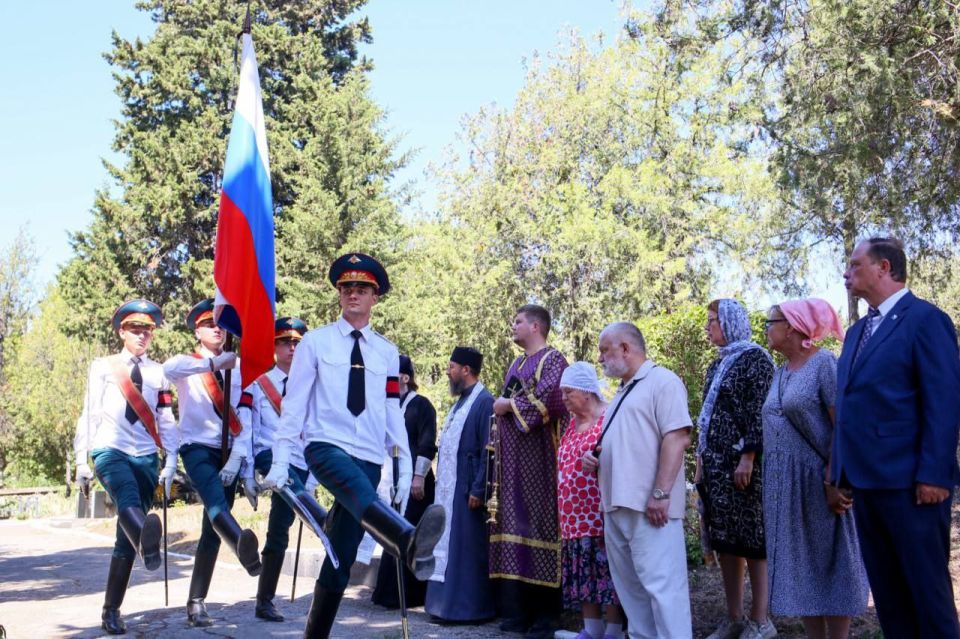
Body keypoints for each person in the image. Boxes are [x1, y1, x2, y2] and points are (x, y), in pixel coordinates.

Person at [261, 252, 445, 639]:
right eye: (346, 288)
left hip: (369, 456)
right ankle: (406, 538)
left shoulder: (387, 352)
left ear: (375, 297)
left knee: (341, 556)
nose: (353, 294)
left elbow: (392, 410)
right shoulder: (316, 342)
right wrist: (280, 458)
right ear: (339, 294)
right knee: (361, 496)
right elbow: (294, 403)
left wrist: (404, 464)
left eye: (362, 288)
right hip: (326, 446)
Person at [832, 237, 960, 637]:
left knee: (927, 596)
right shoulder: (857, 332)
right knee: (890, 599)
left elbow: (943, 402)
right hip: (865, 485)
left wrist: (935, 474)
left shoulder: (926, 320)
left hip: (911, 486)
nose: (846, 273)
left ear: (884, 267)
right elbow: (848, 405)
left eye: (855, 264)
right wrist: (839, 472)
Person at [761, 298, 867, 639]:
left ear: (792, 326)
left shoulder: (823, 364)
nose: (766, 328)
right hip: (784, 488)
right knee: (802, 567)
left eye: (771, 322)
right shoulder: (780, 373)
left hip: (819, 484)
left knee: (831, 563)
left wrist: (834, 480)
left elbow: (843, 424)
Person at [73, 299, 177, 635]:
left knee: (126, 538)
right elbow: (89, 413)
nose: (142, 334)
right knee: (127, 497)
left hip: (146, 456)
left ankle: (111, 609)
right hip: (110, 448)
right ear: (122, 331)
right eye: (135, 328)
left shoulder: (159, 372)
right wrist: (81, 459)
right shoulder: (103, 367)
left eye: (148, 329)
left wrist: (171, 459)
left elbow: (165, 417)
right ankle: (148, 537)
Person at [582, 322, 692, 638]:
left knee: (663, 590)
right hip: (617, 505)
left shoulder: (663, 381)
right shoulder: (622, 391)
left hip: (650, 507)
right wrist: (595, 458)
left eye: (605, 350)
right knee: (632, 594)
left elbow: (677, 438)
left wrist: (660, 493)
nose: (600, 358)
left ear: (626, 348)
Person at [163, 298, 262, 627]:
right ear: (197, 331)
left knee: (211, 529)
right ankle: (242, 545)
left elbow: (247, 418)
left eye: (220, 324)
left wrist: (242, 462)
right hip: (197, 449)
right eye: (209, 324)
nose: (217, 329)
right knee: (217, 505)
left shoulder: (239, 367)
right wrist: (214, 364)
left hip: (229, 452)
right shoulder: (188, 364)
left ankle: (196, 602)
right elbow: (168, 370)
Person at [490, 304, 569, 639]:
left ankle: (545, 618)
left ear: (536, 326)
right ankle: (516, 613)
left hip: (541, 462)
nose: (513, 326)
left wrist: (508, 405)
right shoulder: (517, 364)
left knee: (540, 527)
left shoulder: (554, 360)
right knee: (513, 528)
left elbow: (551, 401)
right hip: (511, 465)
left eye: (518, 321)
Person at [697, 298, 775, 639]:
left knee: (753, 541)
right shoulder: (718, 363)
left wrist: (748, 456)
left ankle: (761, 621)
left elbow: (762, 410)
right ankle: (734, 618)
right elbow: (707, 417)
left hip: (744, 467)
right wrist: (701, 464)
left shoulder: (756, 359)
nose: (708, 327)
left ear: (730, 322)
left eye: (713, 320)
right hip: (715, 468)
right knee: (726, 540)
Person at [250, 316, 317, 622]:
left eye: (297, 343)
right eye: (284, 342)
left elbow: (316, 431)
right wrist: (247, 470)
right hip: (270, 456)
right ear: (274, 347)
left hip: (301, 461)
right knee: (295, 506)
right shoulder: (259, 384)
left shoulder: (313, 387)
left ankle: (264, 600)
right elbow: (251, 431)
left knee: (279, 529)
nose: (291, 348)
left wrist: (314, 475)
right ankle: (322, 520)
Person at [425, 346, 496, 623]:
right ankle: (443, 606)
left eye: (451, 366)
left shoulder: (484, 401)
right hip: (449, 488)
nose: (447, 371)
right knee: (448, 544)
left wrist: (479, 488)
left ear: (466, 370)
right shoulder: (459, 403)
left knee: (465, 549)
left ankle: (468, 609)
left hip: (468, 488)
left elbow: (489, 449)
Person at [556, 362, 624, 639]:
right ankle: (592, 629)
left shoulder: (608, 418)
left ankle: (614, 631)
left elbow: (620, 457)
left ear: (586, 391)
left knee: (608, 575)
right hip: (573, 518)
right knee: (584, 573)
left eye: (568, 392)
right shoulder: (571, 424)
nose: (563, 398)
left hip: (599, 514)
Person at [372, 354, 439, 609]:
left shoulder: (421, 406)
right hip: (391, 479)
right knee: (391, 530)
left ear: (404, 377)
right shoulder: (386, 406)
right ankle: (387, 593)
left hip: (415, 484)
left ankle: (410, 596)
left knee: (409, 533)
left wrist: (419, 477)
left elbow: (427, 443)